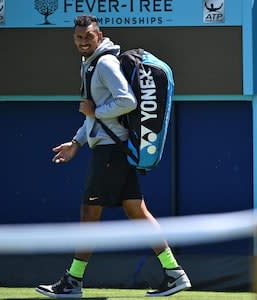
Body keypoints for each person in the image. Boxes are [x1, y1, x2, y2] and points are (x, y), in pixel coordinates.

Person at [36, 15, 191, 298]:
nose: (83, 42)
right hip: (111, 150)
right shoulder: (91, 61)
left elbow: (126, 101)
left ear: (99, 35)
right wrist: (76, 143)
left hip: (110, 153)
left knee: (89, 214)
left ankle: (73, 281)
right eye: (79, 38)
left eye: (88, 37)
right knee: (137, 211)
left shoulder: (105, 63)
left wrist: (95, 113)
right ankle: (174, 273)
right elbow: (95, 115)